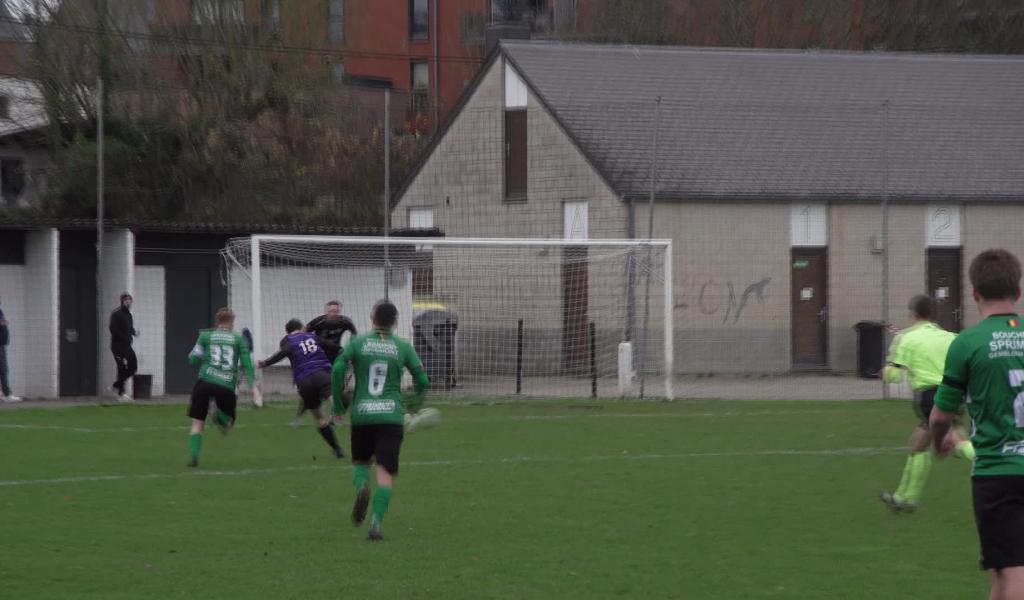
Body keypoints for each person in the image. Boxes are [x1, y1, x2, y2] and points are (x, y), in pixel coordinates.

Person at [931, 249, 1024, 600]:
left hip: (998, 470)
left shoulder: (967, 343)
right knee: (1002, 572)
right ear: (1018, 291)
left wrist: (941, 439)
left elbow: (940, 415)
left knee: (1014, 571)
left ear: (974, 293)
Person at [332, 299, 429, 541]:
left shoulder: (358, 343)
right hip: (391, 416)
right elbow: (423, 380)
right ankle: (375, 523)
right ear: (395, 322)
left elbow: (336, 370)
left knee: (360, 464)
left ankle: (362, 487)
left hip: (363, 414)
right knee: (385, 473)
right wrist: (415, 404)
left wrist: (337, 404)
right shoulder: (403, 347)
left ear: (372, 318)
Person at [879, 294, 975, 512]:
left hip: (931, 396)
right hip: (955, 392)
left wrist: (884, 371)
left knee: (956, 441)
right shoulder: (951, 337)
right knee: (918, 445)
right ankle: (905, 499)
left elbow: (893, 376)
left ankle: (997, 464)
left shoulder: (906, 338)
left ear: (913, 313)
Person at [257, 318, 344, 458]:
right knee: (335, 399)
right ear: (302, 327)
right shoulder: (312, 336)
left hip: (304, 381)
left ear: (287, 332)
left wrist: (264, 363)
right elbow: (334, 347)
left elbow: (282, 353)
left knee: (319, 418)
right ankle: (337, 413)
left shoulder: (287, 341)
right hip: (321, 374)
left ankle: (337, 449)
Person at [185, 308, 255, 468]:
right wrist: (252, 383)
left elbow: (193, 360)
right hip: (226, 386)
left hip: (204, 383)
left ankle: (194, 457)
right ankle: (218, 416)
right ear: (231, 322)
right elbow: (246, 363)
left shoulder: (205, 335)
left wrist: (201, 356)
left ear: (217, 322)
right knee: (228, 427)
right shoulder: (238, 339)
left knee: (197, 423)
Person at [297, 300, 357, 424]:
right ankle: (300, 417)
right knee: (310, 387)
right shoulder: (318, 322)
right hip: (319, 359)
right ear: (326, 311)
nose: (333, 313)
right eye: (331, 311)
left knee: (339, 389)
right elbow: (303, 333)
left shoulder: (345, 321)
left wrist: (351, 346)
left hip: (337, 359)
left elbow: (354, 333)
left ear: (339, 311)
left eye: (336, 311)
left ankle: (336, 416)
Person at [109, 292, 138, 403]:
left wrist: (134, 333)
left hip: (127, 346)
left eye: (129, 300)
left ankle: (116, 386)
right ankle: (121, 394)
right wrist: (123, 338)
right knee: (121, 368)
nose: (128, 302)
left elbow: (130, 328)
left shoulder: (129, 315)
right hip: (117, 346)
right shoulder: (116, 314)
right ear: (122, 301)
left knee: (133, 367)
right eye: (125, 300)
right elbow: (113, 329)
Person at [0, 294, 21, 402]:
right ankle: (7, 394)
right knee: (3, 369)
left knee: (3, 370)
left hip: (2, 345)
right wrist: (3, 322)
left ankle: (4, 393)